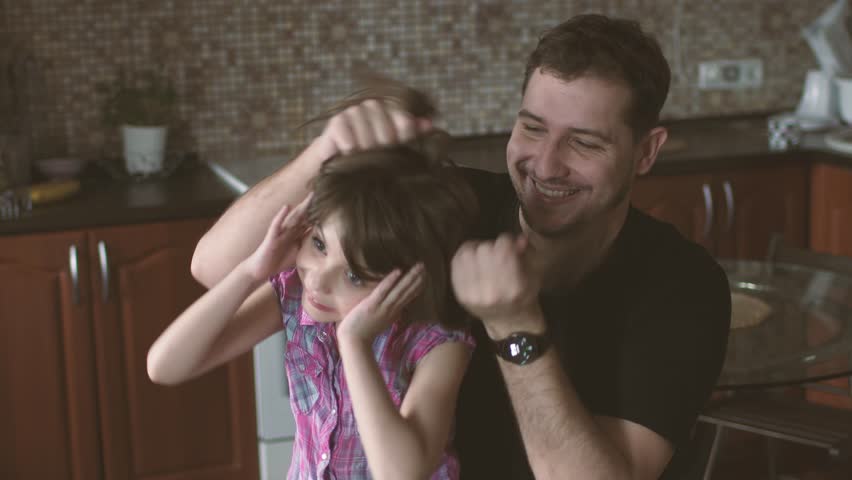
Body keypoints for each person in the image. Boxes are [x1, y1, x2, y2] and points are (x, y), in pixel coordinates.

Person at [190, 14, 731, 480]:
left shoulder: (683, 286)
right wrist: (325, 150)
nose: (545, 164)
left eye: (584, 143)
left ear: (646, 152)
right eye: (533, 128)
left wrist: (514, 326)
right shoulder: (448, 210)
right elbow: (214, 267)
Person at [148, 90, 480, 479]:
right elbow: (165, 366)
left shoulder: (438, 343)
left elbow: (401, 473)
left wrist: (354, 344)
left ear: (407, 277)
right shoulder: (292, 296)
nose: (319, 280)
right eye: (319, 244)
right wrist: (251, 271)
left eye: (354, 275)